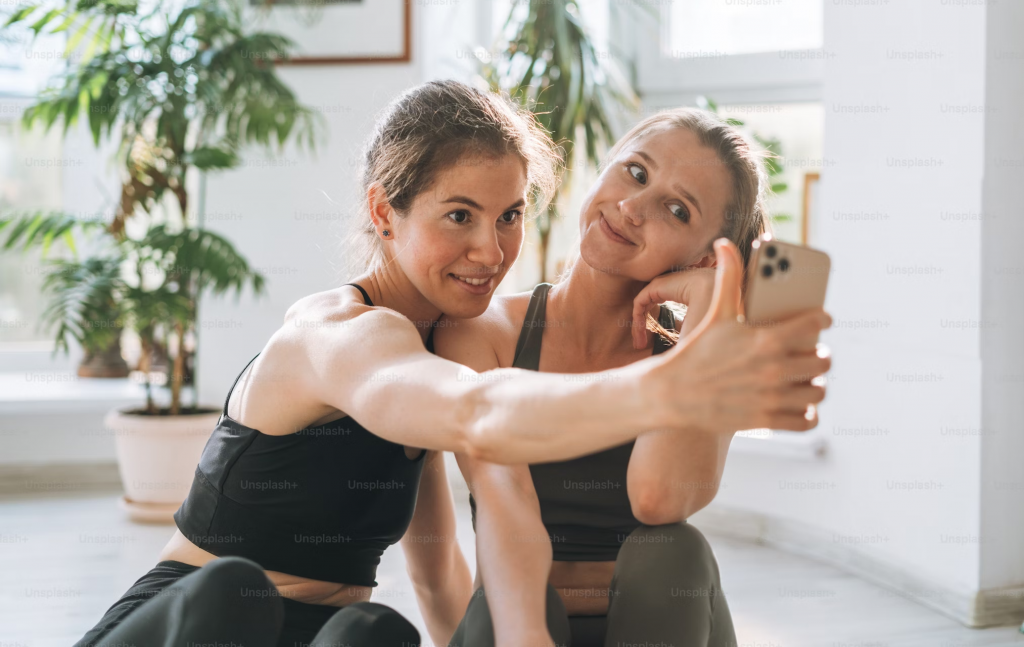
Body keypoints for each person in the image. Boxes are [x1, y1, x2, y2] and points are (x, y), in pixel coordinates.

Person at [75, 81, 830, 647]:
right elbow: (479, 413)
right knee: (234, 592)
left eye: (508, 217)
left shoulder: (433, 350)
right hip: (190, 620)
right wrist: (679, 381)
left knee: (373, 631)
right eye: (458, 216)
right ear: (384, 212)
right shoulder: (340, 335)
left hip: (313, 632)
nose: (490, 251)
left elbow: (438, 574)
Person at [439, 108, 823, 646]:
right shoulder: (484, 333)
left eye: (676, 209)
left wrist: (707, 322)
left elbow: (658, 499)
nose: (632, 207)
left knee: (672, 551)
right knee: (514, 605)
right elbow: (509, 507)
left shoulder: (708, 359)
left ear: (707, 259)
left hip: (660, 629)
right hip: (522, 626)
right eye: (636, 172)